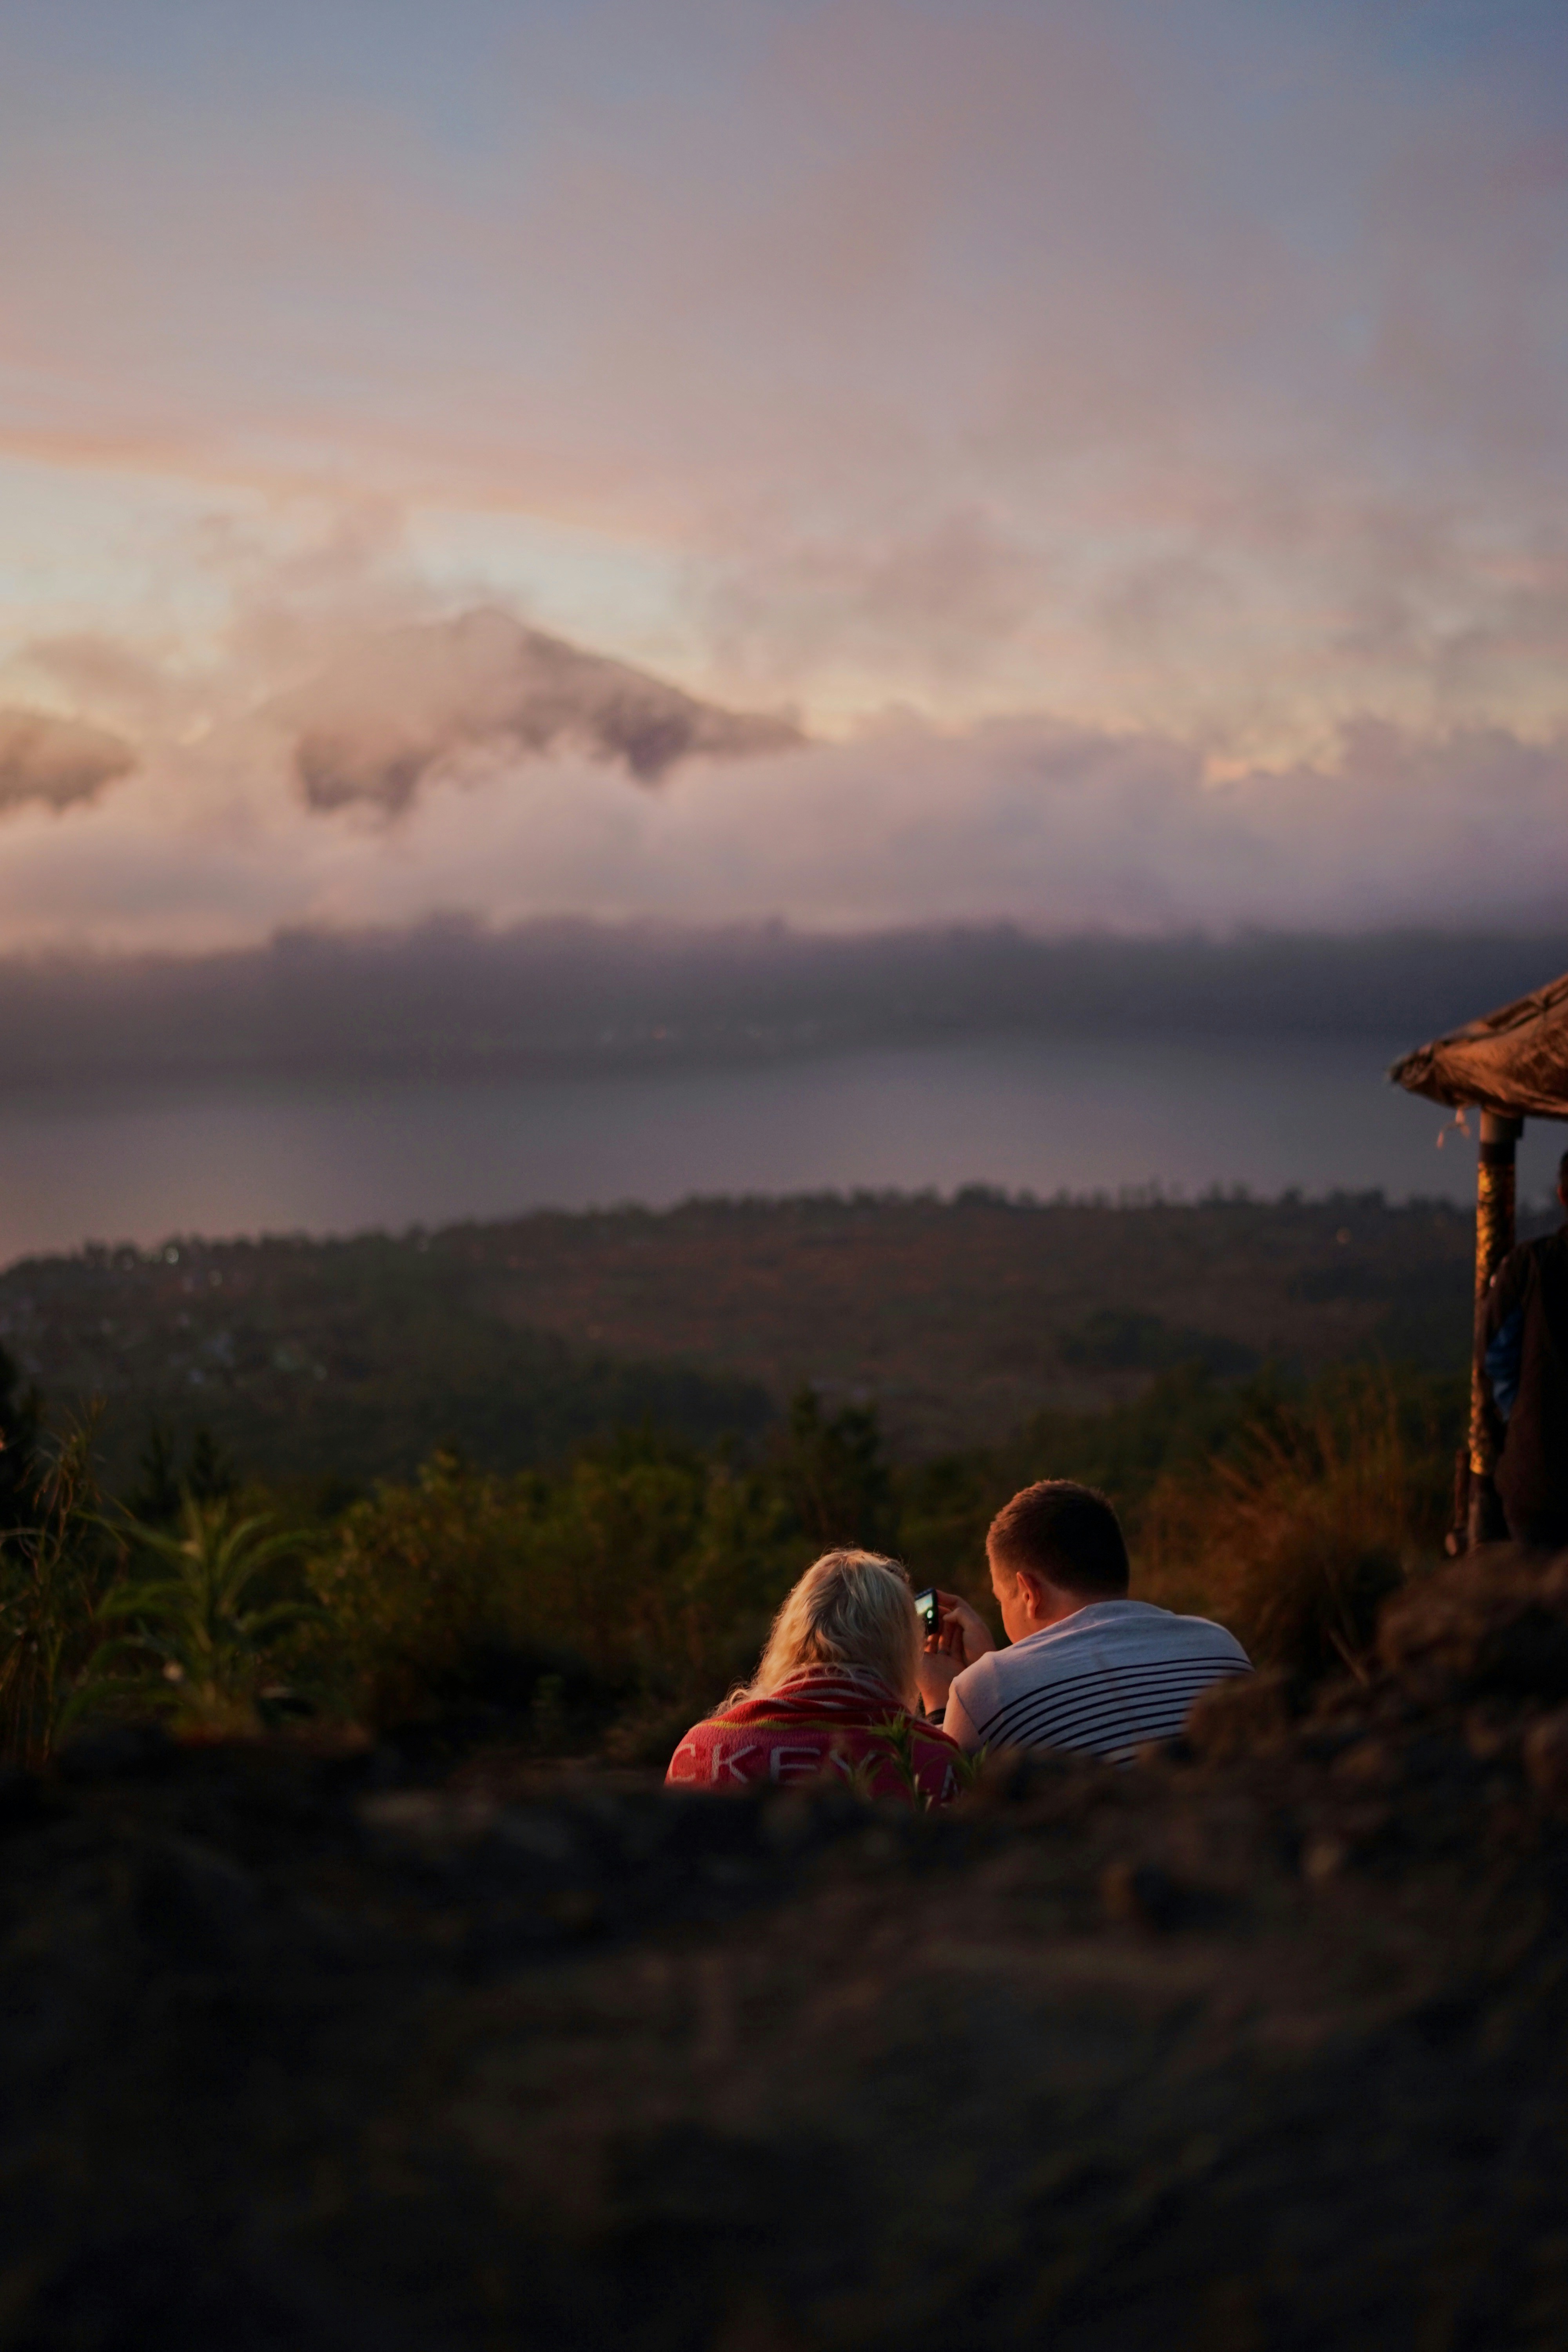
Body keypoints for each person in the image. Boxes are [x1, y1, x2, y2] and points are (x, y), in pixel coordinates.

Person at [915, 1480, 1251, 1765]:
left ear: (1029, 1593)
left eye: (1002, 1599)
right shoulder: (1220, 1644)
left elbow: (942, 1809)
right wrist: (993, 1664)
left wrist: (941, 1703)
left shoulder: (984, 1689)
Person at [666, 1548, 963, 1804]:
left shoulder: (700, 1751)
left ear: (792, 1637)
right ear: (898, 1652)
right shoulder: (935, 1761)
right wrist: (943, 1706)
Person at [1480, 1149, 1568, 1548]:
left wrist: (1522, 1421)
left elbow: (1495, 1359)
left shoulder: (1530, 1265)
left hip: (1538, 1482)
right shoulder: (1529, 1266)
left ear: (1562, 1195)